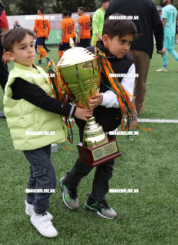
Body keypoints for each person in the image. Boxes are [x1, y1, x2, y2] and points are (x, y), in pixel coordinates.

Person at [2, 28, 93, 238]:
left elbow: (53, 92)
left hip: (40, 134)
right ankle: (39, 214)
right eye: (22, 48)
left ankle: (31, 204)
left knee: (37, 173)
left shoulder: (37, 70)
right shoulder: (18, 78)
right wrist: (73, 111)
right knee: (47, 178)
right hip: (30, 136)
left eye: (31, 46)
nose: (30, 51)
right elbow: (43, 101)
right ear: (10, 55)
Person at [60, 14, 137, 220]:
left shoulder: (129, 63)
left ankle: (96, 198)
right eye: (122, 41)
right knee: (91, 157)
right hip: (88, 119)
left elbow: (126, 95)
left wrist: (103, 98)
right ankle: (70, 182)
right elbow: (68, 81)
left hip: (111, 118)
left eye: (129, 42)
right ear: (105, 39)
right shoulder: (86, 55)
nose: (126, 47)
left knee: (107, 160)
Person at [105, 0, 165, 118]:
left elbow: (106, 23)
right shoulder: (148, 3)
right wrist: (160, 47)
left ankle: (117, 107)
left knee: (118, 79)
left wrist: (107, 46)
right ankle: (134, 112)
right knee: (140, 82)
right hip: (143, 49)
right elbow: (158, 26)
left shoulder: (115, 2)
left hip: (121, 49)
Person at [156, 0, 178, 72]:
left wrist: (160, 32)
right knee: (171, 48)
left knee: (163, 49)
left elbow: (163, 21)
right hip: (172, 31)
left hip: (166, 31)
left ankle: (164, 68)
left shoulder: (165, 9)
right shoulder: (174, 9)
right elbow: (175, 21)